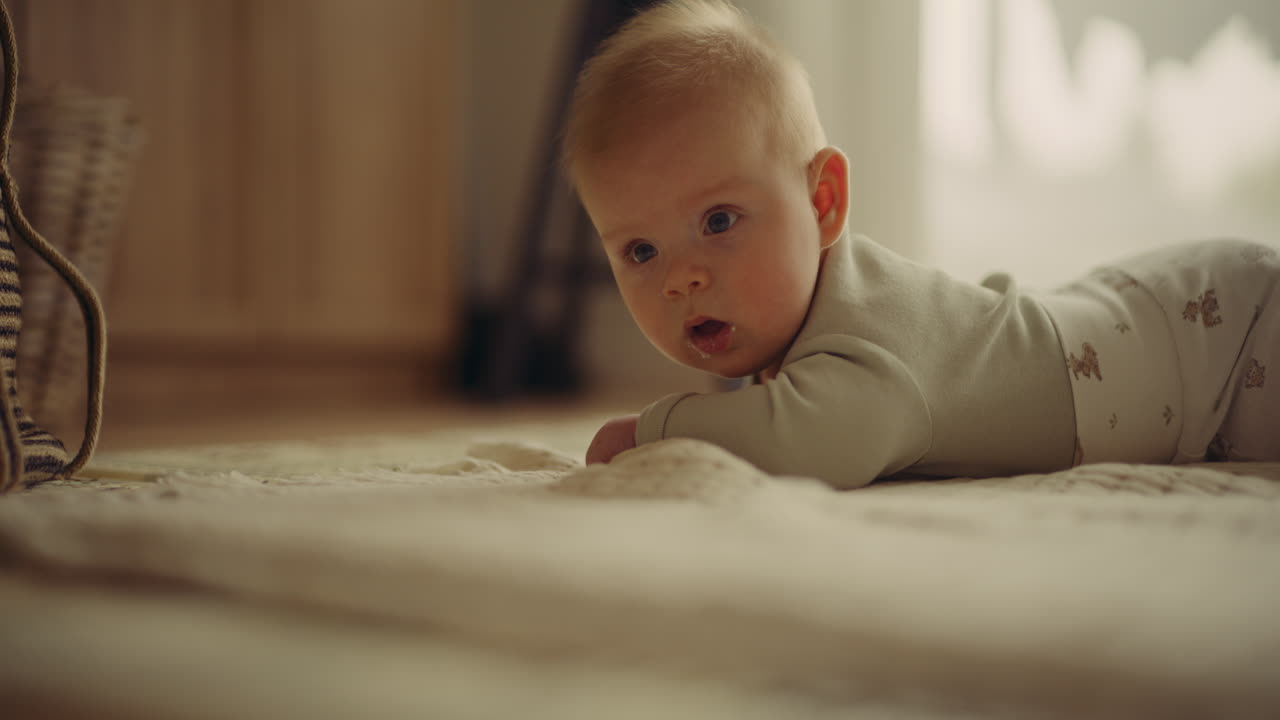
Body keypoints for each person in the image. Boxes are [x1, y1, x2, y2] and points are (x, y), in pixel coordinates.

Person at [563, 0, 1279, 488]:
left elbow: (809, 443)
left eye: (718, 221)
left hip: (1221, 343)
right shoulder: (815, 331)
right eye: (640, 252)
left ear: (823, 203)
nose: (680, 278)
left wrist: (649, 433)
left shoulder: (866, 335)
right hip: (1163, 317)